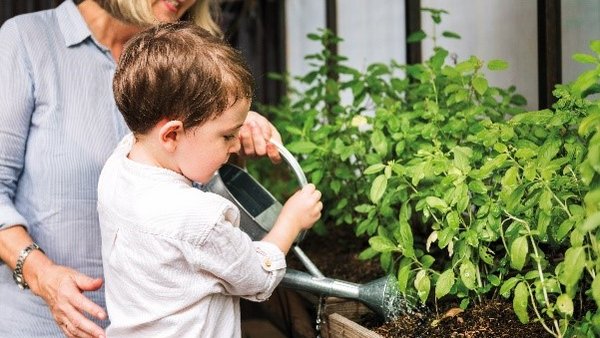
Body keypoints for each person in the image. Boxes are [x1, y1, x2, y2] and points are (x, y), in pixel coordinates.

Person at [0, 1, 283, 337]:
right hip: (41, 325)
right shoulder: (28, 41)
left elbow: (185, 194)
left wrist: (229, 133)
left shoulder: (187, 57)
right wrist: (40, 274)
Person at [98, 21, 322, 337]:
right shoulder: (198, 220)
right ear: (172, 133)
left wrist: (230, 126)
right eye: (227, 135)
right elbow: (258, 276)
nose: (234, 146)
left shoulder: (118, 166)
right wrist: (292, 220)